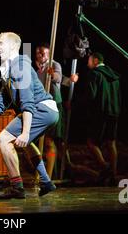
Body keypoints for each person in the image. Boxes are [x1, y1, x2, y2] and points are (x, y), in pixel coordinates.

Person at [0, 32, 59, 199]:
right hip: (46, 111)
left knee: (2, 139)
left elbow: (27, 102)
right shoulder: (9, 71)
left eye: (1, 43)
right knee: (26, 144)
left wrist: (25, 132)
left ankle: (17, 186)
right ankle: (46, 182)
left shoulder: (20, 66)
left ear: (14, 46)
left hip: (42, 109)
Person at [34, 43, 78, 178]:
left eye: (43, 53)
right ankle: (66, 167)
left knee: (50, 142)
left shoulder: (54, 65)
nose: (40, 55)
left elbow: (58, 78)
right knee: (52, 142)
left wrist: (53, 75)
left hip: (53, 106)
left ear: (48, 54)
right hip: (41, 107)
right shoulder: (37, 71)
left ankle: (49, 176)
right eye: (38, 53)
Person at [85, 52, 121, 186]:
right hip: (114, 112)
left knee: (91, 143)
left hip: (100, 113)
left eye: (89, 60)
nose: (87, 63)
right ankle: (114, 174)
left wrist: (75, 104)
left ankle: (106, 168)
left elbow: (91, 95)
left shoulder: (95, 74)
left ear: (95, 61)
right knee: (111, 142)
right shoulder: (114, 76)